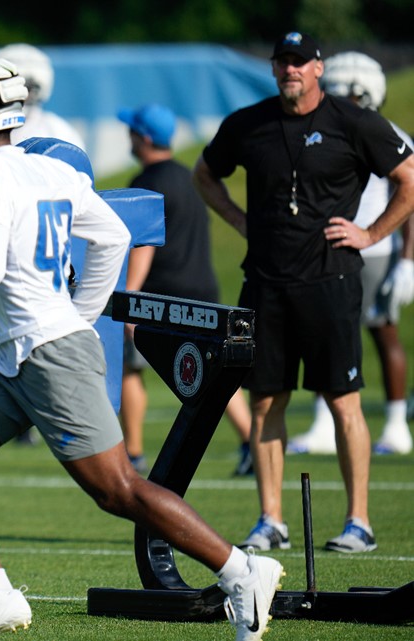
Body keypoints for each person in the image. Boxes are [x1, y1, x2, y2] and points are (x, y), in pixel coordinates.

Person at [0, 51, 282, 641]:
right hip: (18, 352)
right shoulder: (52, 169)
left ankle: (242, 569)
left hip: (46, 353)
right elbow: (114, 235)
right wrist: (83, 311)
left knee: (117, 490)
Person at [192, 32, 414, 555]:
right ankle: (270, 520)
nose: (290, 69)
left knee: (343, 399)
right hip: (264, 283)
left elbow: (408, 178)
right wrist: (238, 220)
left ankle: (358, 521)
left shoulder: (353, 121)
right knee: (266, 398)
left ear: (318, 68)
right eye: (282, 62)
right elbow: (205, 174)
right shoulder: (249, 123)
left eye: (300, 62)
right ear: (274, 70)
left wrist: (372, 234)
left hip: (331, 279)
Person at [286, 51, 414, 456]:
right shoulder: (327, 127)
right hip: (333, 248)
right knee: (325, 337)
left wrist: (407, 260)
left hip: (374, 249)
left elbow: (408, 196)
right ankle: (325, 423)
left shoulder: (384, 132)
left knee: (381, 334)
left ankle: (395, 425)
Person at [115, 103, 253, 476]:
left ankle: (134, 453)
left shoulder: (146, 183)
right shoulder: (189, 177)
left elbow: (143, 245)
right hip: (201, 288)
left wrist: (128, 299)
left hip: (162, 294)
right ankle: (251, 442)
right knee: (216, 372)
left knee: (130, 369)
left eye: (131, 131)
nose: (127, 137)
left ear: (143, 138)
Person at [0, 44, 86, 390]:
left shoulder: (56, 130)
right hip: (7, 237)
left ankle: (33, 404)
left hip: (32, 242)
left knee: (38, 325)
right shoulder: (57, 129)